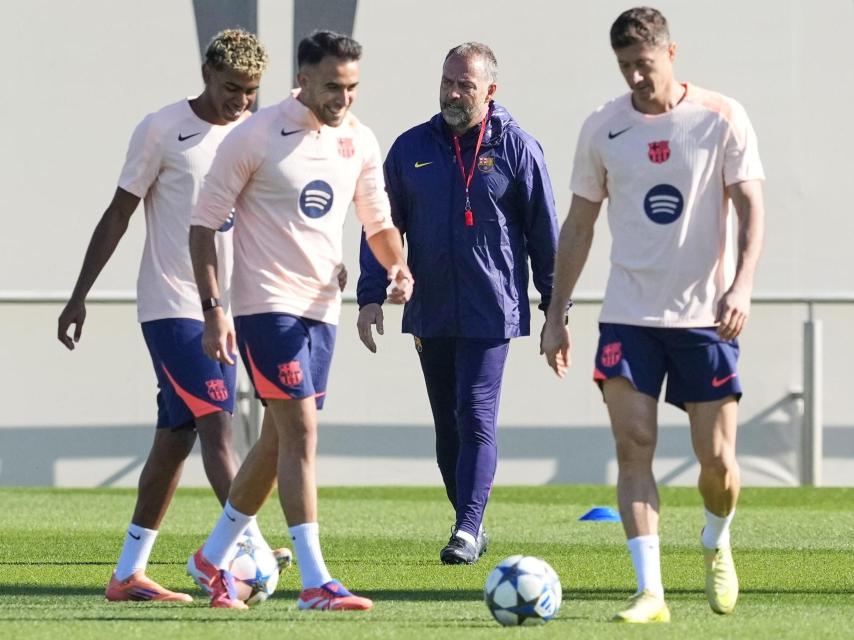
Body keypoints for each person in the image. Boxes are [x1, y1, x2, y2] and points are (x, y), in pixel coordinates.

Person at [540, 7, 765, 623]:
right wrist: (557, 313)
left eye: (644, 63)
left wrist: (741, 287)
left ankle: (717, 540)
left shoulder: (721, 117)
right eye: (625, 67)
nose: (636, 77)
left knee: (716, 461)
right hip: (629, 315)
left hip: (705, 317)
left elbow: (751, 211)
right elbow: (579, 226)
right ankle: (651, 592)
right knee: (632, 445)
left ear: (672, 53)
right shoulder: (604, 127)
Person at [185, 30, 412, 610]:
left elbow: (377, 222)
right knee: (303, 434)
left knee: (277, 440)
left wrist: (398, 267)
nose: (344, 98)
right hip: (265, 307)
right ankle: (316, 582)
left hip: (321, 311)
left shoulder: (359, 140)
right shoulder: (254, 136)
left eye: (352, 87)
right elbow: (203, 226)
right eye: (333, 86)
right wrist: (214, 310)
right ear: (303, 80)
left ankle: (211, 557)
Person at [56, 30, 282, 602]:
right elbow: (118, 213)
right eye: (232, 88)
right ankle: (247, 546)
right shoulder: (162, 129)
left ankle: (128, 573)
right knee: (217, 422)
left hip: (229, 310)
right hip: (174, 305)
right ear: (206, 73)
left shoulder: (254, 134)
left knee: (173, 439)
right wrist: (79, 294)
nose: (240, 101)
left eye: (250, 92)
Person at [357, 42, 559, 565]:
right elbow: (381, 224)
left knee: (475, 413)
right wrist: (370, 295)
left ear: (490, 90)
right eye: (447, 81)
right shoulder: (410, 148)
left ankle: (467, 528)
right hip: (431, 310)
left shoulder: (517, 149)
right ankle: (470, 522)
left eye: (464, 85)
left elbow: (545, 236)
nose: (452, 92)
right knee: (447, 427)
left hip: (492, 310)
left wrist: (554, 311)